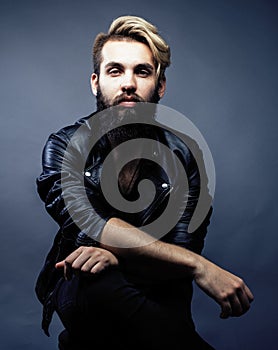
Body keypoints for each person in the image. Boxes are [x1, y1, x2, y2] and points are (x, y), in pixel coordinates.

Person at [35, 15, 254, 350]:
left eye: (142, 71)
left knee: (115, 290)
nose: (128, 83)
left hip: (158, 298)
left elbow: (182, 250)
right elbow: (90, 224)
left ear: (160, 85)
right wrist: (200, 266)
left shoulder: (185, 157)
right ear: (96, 82)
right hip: (83, 288)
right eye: (115, 70)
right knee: (94, 279)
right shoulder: (66, 146)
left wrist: (117, 255)